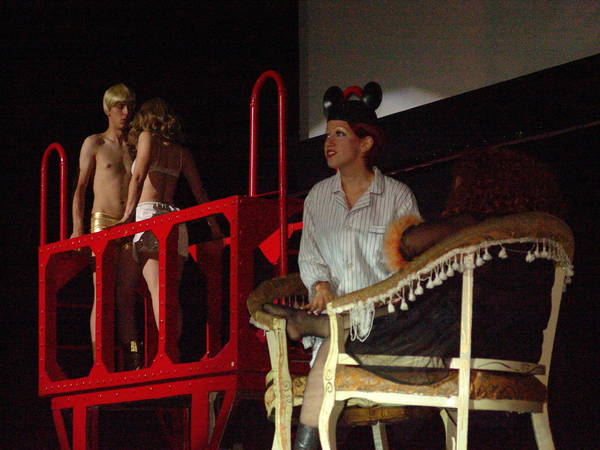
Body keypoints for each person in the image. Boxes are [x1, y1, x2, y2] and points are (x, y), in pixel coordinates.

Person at [268, 146, 566, 448]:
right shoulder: (539, 237)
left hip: (464, 346)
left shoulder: (473, 226)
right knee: (422, 302)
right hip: (519, 352)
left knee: (334, 350)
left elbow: (409, 243)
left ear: (479, 186)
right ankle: (328, 324)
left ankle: (327, 330)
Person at [266, 82, 421, 449]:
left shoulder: (397, 195)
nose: (328, 142)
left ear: (364, 144)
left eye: (339, 134)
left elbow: (413, 266)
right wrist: (320, 284)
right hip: (335, 325)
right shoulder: (318, 197)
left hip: (385, 323)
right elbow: (310, 256)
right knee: (332, 351)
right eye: (326, 135)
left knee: (333, 352)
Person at [118, 98, 223, 362]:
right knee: (170, 294)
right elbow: (200, 192)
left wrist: (127, 215)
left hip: (150, 217)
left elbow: (139, 176)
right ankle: (170, 352)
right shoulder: (181, 152)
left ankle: (165, 355)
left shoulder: (147, 138)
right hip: (175, 220)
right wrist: (213, 226)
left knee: (157, 290)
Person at [71, 83, 142, 370]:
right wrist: (77, 227)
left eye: (129, 106)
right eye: (119, 107)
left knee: (126, 295)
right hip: (103, 221)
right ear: (108, 110)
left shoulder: (135, 145)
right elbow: (80, 187)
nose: (125, 112)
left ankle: (133, 360)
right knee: (101, 293)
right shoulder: (95, 143)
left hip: (130, 223)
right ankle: (98, 359)